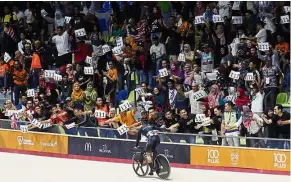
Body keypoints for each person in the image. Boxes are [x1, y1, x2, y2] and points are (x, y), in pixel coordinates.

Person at [134, 107, 171, 175]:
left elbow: (138, 139)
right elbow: (160, 129)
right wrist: (168, 130)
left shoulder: (141, 129)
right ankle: (152, 169)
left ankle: (152, 168)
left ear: (142, 123)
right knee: (153, 151)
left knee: (148, 154)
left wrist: (136, 146)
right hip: (157, 139)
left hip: (151, 140)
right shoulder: (152, 126)